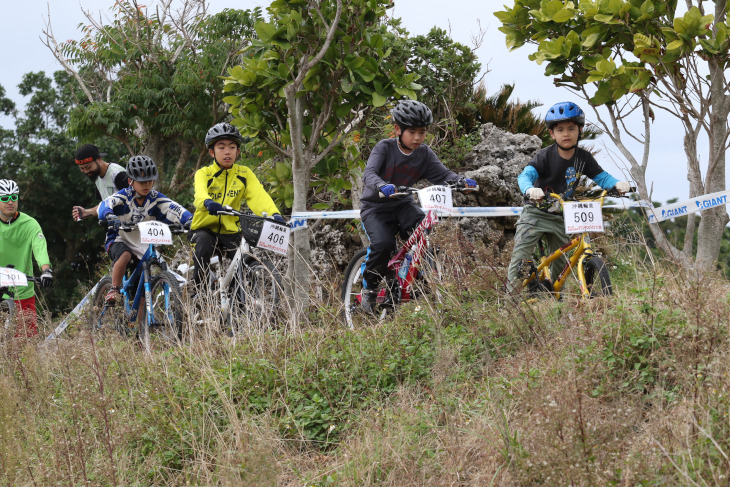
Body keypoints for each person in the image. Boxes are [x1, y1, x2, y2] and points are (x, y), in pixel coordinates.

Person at [359, 100, 477, 313]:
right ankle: (370, 288)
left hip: (403, 204)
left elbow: (442, 175)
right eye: (411, 132)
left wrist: (461, 181)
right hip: (375, 208)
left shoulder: (424, 154)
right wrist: (382, 185)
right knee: (383, 245)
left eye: (422, 132)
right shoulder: (384, 148)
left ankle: (419, 277)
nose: (417, 138)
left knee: (428, 232)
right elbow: (369, 174)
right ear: (397, 129)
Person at [506, 101, 631, 291]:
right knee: (520, 257)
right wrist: (530, 189)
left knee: (561, 265)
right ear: (552, 133)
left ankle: (555, 300)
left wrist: (616, 184)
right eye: (561, 129)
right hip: (536, 213)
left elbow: (601, 176)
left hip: (561, 215)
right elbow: (526, 175)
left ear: (580, 130)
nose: (566, 134)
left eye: (571, 128)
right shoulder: (544, 156)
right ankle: (509, 301)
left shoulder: (584, 158)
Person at [188, 122, 285, 292]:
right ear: (212, 152)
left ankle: (237, 304)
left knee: (245, 262)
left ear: (238, 151)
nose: (227, 152)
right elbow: (200, 194)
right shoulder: (204, 174)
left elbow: (258, 196)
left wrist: (274, 214)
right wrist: (207, 203)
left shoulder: (244, 174)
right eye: (221, 147)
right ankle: (200, 295)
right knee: (202, 246)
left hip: (231, 230)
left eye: (232, 147)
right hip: (205, 229)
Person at [98, 156, 192, 306]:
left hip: (142, 245)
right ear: (130, 181)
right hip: (119, 239)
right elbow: (105, 204)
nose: (146, 185)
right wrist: (109, 215)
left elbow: (175, 208)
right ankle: (114, 290)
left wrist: (189, 220)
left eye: (149, 181)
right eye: (142, 182)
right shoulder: (123, 196)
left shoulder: (156, 198)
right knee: (125, 254)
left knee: (141, 290)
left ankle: (141, 326)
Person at [0, 179, 54, 337]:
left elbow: (40, 249)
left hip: (22, 290)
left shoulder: (30, 224)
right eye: (4, 198)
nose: (10, 202)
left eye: (13, 197)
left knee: (28, 343)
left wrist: (46, 271)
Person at [71, 144, 129, 221]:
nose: (86, 171)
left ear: (99, 160)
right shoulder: (96, 176)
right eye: (82, 168)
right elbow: (105, 205)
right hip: (117, 228)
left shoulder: (118, 174)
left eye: (88, 167)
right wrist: (86, 212)